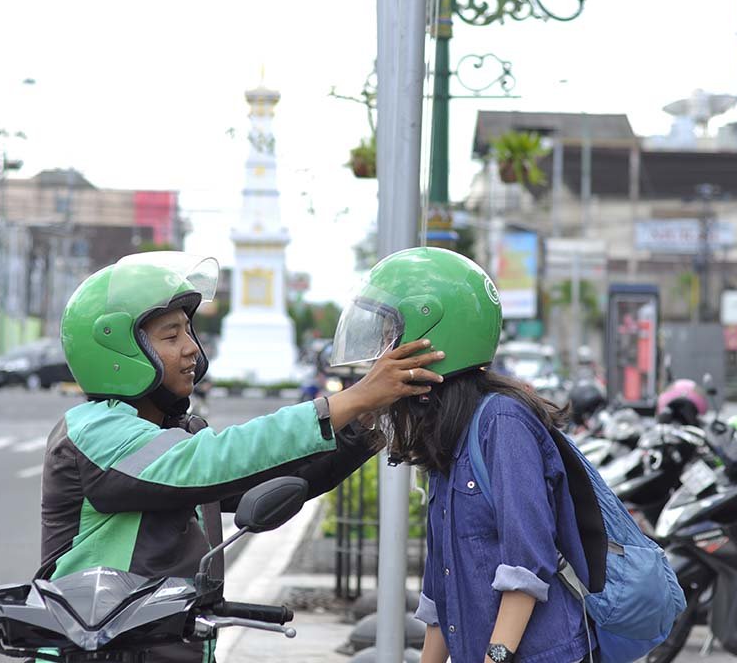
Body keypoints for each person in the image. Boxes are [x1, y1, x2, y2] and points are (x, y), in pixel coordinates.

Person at [41, 252, 444, 663]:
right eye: (170, 337)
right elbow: (217, 460)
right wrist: (352, 397)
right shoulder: (93, 433)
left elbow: (274, 475)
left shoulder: (172, 436)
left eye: (188, 333)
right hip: (97, 652)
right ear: (118, 350)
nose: (191, 350)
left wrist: (366, 419)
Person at [331, 247, 594, 663]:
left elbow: (526, 566)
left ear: (433, 332)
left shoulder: (503, 423)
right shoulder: (447, 433)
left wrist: (496, 657)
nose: (383, 351)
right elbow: (441, 591)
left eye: (392, 334)